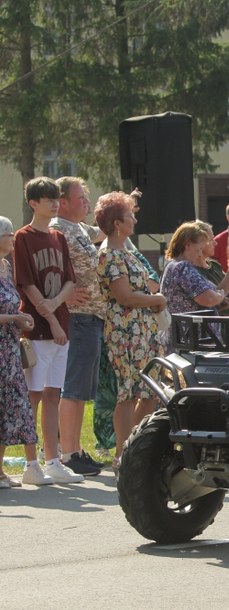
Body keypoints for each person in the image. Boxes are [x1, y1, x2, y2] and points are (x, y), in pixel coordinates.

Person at [14, 177, 82, 484]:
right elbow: (27, 285)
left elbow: (70, 280)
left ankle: (53, 459)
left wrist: (56, 307)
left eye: (56, 198)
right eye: (47, 199)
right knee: (35, 393)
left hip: (60, 326)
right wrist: (52, 318)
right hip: (37, 328)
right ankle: (31, 464)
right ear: (33, 203)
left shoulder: (59, 237)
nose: (54, 203)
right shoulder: (22, 237)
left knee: (54, 393)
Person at [95, 191, 167, 472]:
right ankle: (122, 455)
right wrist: (157, 300)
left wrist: (152, 297)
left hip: (143, 328)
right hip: (125, 330)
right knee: (127, 393)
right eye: (130, 216)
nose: (134, 219)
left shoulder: (126, 251)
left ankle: (136, 449)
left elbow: (144, 285)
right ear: (117, 224)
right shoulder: (109, 254)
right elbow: (124, 296)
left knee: (148, 391)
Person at [49, 176, 105, 475]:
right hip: (78, 315)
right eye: (80, 197)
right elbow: (46, 269)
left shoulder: (79, 228)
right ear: (63, 201)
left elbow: (103, 230)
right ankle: (68, 454)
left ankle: (73, 450)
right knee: (73, 387)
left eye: (86, 196)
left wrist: (128, 203)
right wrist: (63, 297)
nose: (86, 202)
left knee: (81, 388)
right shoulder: (58, 228)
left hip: (92, 314)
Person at [0, 215, 50, 487]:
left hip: (9, 351)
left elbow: (9, 305)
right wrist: (14, 320)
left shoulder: (5, 267)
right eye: (7, 234)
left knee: (11, 407)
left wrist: (22, 317)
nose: (11, 239)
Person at [160, 222, 229, 341]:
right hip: (194, 342)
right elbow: (208, 299)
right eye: (198, 249)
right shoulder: (182, 267)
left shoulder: (171, 266)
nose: (200, 254)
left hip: (186, 338)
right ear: (187, 245)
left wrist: (218, 304)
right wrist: (220, 296)